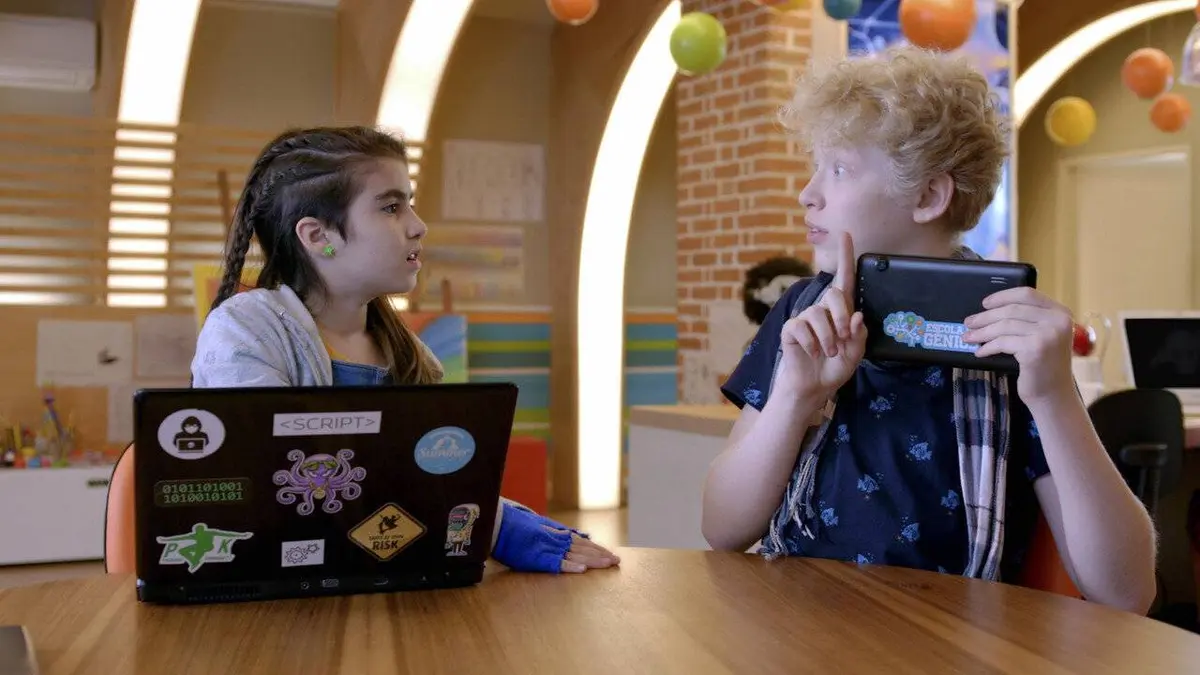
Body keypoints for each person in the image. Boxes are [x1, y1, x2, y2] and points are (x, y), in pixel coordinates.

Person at [701, 47, 1157, 613]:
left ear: (927, 196)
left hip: (951, 638)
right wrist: (794, 399)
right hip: (798, 627)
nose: (807, 192)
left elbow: (1126, 592)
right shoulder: (801, 315)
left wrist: (1055, 396)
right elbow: (721, 528)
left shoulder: (1007, 339)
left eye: (838, 168)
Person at [190, 126, 619, 575]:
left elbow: (432, 478)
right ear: (318, 236)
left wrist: (490, 515)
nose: (418, 225)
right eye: (392, 207)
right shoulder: (243, 329)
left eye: (409, 204)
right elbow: (274, 477)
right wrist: (496, 526)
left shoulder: (412, 355)